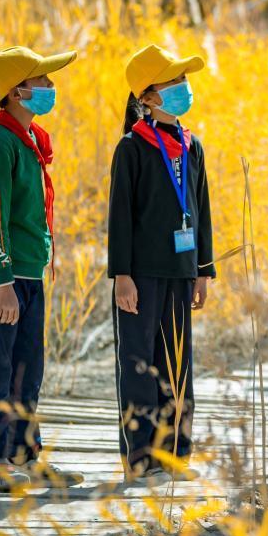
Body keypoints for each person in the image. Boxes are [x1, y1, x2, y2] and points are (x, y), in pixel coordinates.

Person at [0, 45, 82, 490]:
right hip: (6, 278)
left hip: (30, 274)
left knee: (27, 369)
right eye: (44, 81)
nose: (51, 88)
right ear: (17, 91)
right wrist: (2, 280)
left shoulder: (28, 139)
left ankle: (23, 453)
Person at [108, 45, 216, 481]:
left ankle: (175, 454)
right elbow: (119, 217)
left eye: (182, 81)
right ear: (147, 97)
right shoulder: (132, 147)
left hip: (181, 271)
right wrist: (122, 276)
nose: (182, 89)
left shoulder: (193, 144)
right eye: (172, 83)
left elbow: (202, 209)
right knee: (139, 363)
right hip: (140, 275)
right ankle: (140, 458)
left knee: (177, 363)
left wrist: (203, 270)